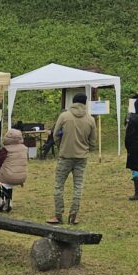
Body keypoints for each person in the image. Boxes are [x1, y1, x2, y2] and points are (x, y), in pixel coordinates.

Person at [47, 93, 98, 225]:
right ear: (85, 103)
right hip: (81, 158)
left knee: (59, 186)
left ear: (73, 102)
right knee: (78, 187)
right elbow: (93, 141)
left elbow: (55, 135)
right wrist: (87, 148)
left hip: (65, 156)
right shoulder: (90, 119)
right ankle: (73, 216)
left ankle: (58, 215)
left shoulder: (64, 116)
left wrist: (61, 146)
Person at [0, 129, 28, 212]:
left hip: (9, 175)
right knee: (8, 182)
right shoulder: (24, 148)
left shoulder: (6, 149)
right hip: (21, 176)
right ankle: (8, 201)